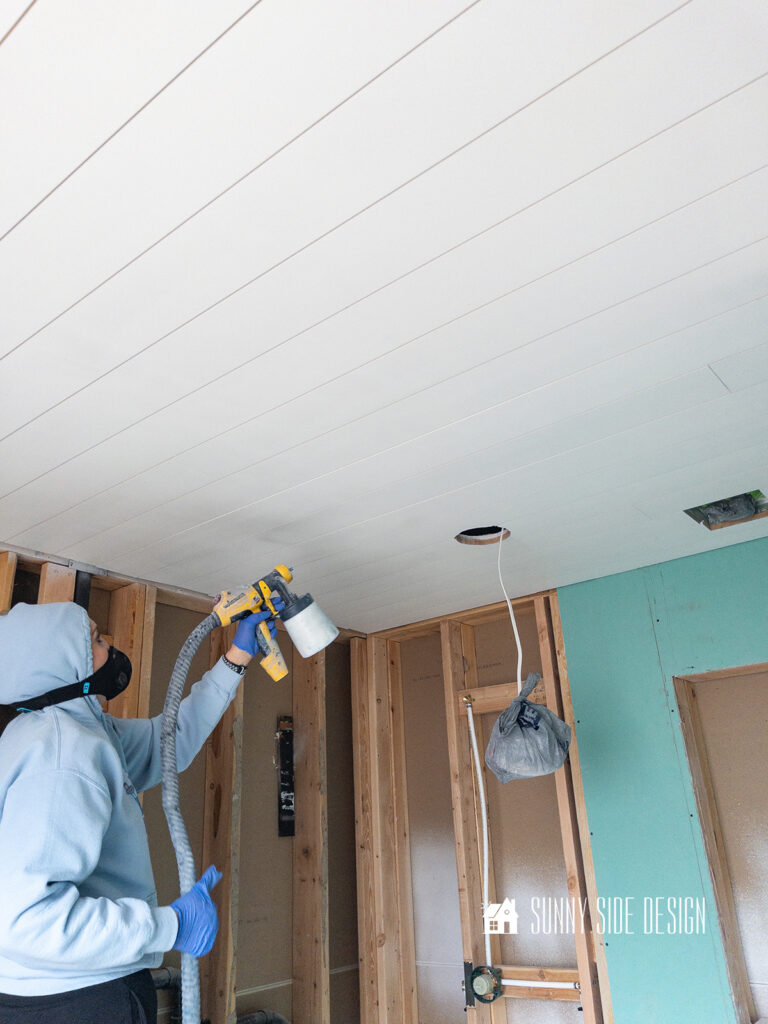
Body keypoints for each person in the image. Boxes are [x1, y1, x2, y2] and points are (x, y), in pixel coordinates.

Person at [0, 598, 279, 1023]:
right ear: (62, 663)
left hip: (75, 986)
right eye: (94, 639)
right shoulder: (63, 755)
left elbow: (171, 741)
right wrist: (170, 925)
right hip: (75, 999)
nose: (107, 643)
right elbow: (27, 922)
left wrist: (235, 659)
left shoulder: (71, 732)